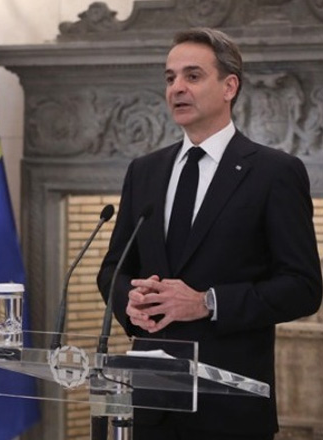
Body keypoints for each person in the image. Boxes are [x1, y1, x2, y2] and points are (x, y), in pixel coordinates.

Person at [97, 28, 322, 440]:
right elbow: (113, 269)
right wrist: (130, 299)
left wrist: (207, 302)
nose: (177, 88)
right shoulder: (144, 171)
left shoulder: (274, 172)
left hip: (230, 411)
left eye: (193, 76)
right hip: (149, 408)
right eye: (170, 78)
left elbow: (303, 288)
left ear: (229, 86)